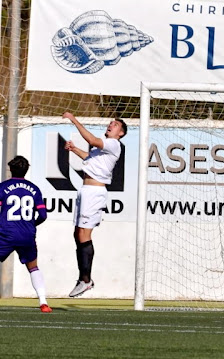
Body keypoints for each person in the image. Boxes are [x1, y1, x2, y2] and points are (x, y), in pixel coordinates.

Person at [63, 112, 127, 297]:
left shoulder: (113, 144)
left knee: (84, 234)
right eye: (110, 123)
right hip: (85, 190)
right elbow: (90, 159)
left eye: (115, 124)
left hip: (95, 192)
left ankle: (86, 279)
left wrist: (74, 119)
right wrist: (74, 149)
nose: (110, 125)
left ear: (120, 133)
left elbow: (90, 138)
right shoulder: (103, 148)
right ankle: (83, 278)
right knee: (78, 233)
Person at [0, 156, 50, 312]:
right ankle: (43, 303)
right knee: (33, 267)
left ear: (11, 169)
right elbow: (42, 215)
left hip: (6, 233)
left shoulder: (3, 187)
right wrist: (30, 225)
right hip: (27, 235)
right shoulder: (34, 189)